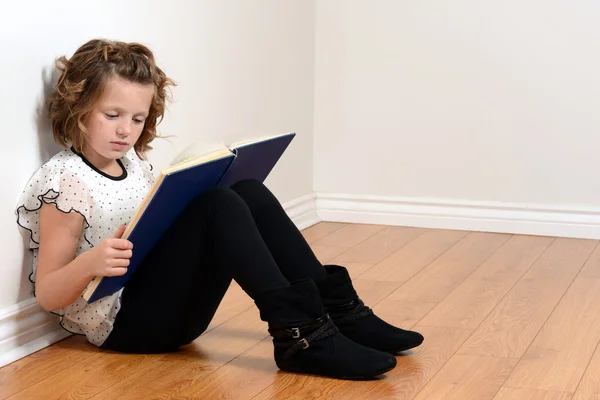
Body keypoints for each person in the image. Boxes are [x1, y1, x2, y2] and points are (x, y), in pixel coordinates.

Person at [15, 39, 423, 380]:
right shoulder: (66, 182)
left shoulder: (133, 164)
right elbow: (49, 294)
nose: (126, 130)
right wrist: (91, 262)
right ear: (78, 109)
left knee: (246, 190)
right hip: (128, 328)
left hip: (177, 314)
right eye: (113, 115)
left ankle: (341, 313)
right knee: (217, 203)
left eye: (138, 119)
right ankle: (302, 337)